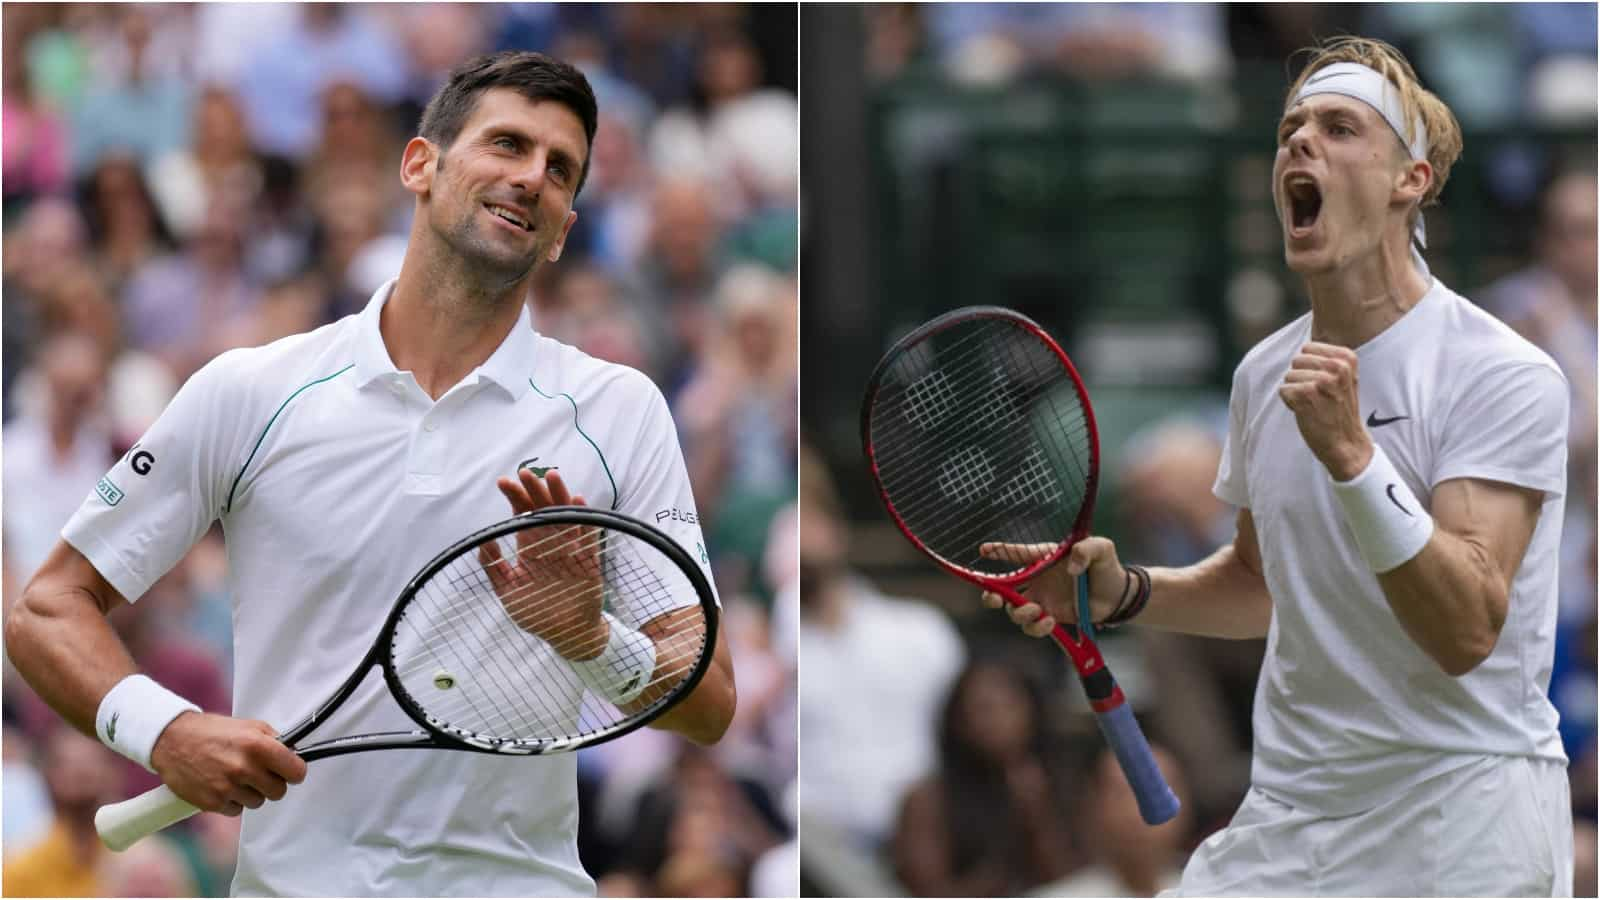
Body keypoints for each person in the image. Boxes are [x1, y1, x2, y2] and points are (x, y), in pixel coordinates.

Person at [6, 50, 736, 897]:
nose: (533, 176)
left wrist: (591, 639)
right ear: (419, 165)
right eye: (507, 144)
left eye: (561, 169)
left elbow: (710, 698)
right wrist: (167, 732)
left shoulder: (618, 408)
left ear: (566, 227)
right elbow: (44, 611)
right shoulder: (251, 392)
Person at [984, 37, 1573, 895]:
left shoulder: (1503, 373)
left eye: (1339, 128)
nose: (1300, 142)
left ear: (1411, 180)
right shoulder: (1264, 374)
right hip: (1295, 815)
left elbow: (1466, 630)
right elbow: (1265, 584)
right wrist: (1119, 593)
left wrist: (1353, 458)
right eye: (1291, 129)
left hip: (1465, 816)